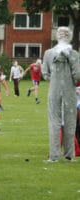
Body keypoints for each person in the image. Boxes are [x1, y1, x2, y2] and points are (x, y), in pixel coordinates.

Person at [42, 26, 80, 162]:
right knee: (65, 122)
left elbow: (45, 74)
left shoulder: (51, 53)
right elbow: (77, 76)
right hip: (66, 90)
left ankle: (58, 155)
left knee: (60, 122)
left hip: (58, 89)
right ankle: (65, 155)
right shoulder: (73, 54)